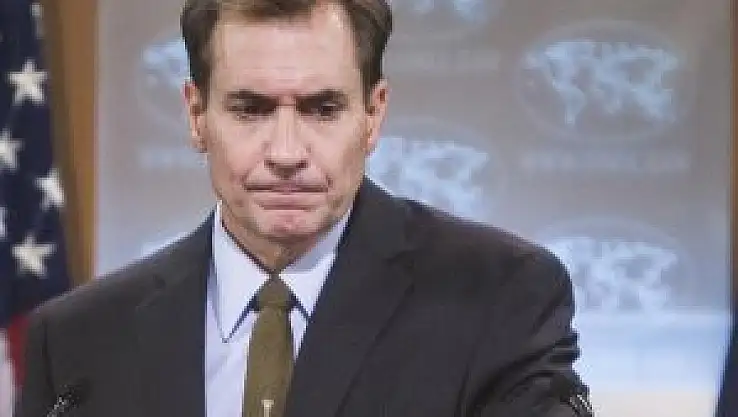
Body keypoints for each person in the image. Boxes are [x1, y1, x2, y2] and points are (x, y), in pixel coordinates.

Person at [16, 1, 591, 416]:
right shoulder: (76, 342)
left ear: (374, 114)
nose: (287, 153)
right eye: (250, 109)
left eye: (322, 109)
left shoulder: (500, 299)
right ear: (196, 114)